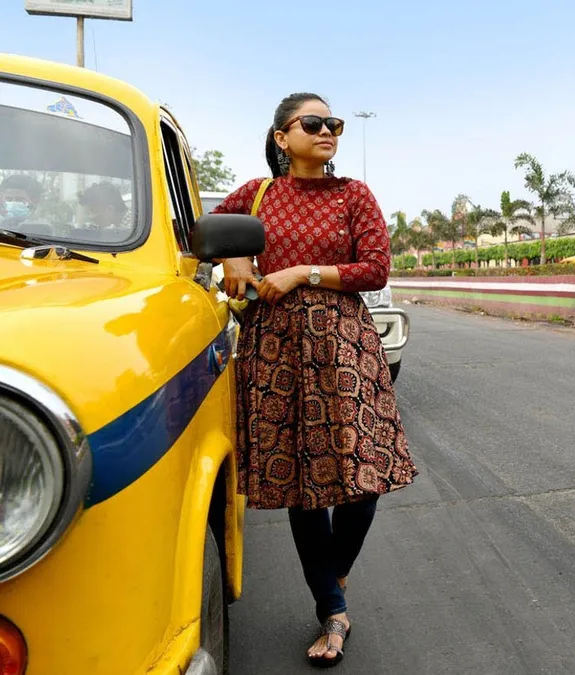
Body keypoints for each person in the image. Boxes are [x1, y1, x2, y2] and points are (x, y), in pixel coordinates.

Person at [212, 93, 417, 668]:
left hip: (346, 346)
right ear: (282, 136)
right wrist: (233, 261)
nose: (328, 131)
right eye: (314, 123)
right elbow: (198, 233)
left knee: (365, 471)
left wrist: (303, 271)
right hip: (276, 349)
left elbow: (375, 268)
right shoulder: (255, 196)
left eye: (334, 124)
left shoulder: (354, 195)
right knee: (303, 481)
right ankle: (332, 608)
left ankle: (334, 574)